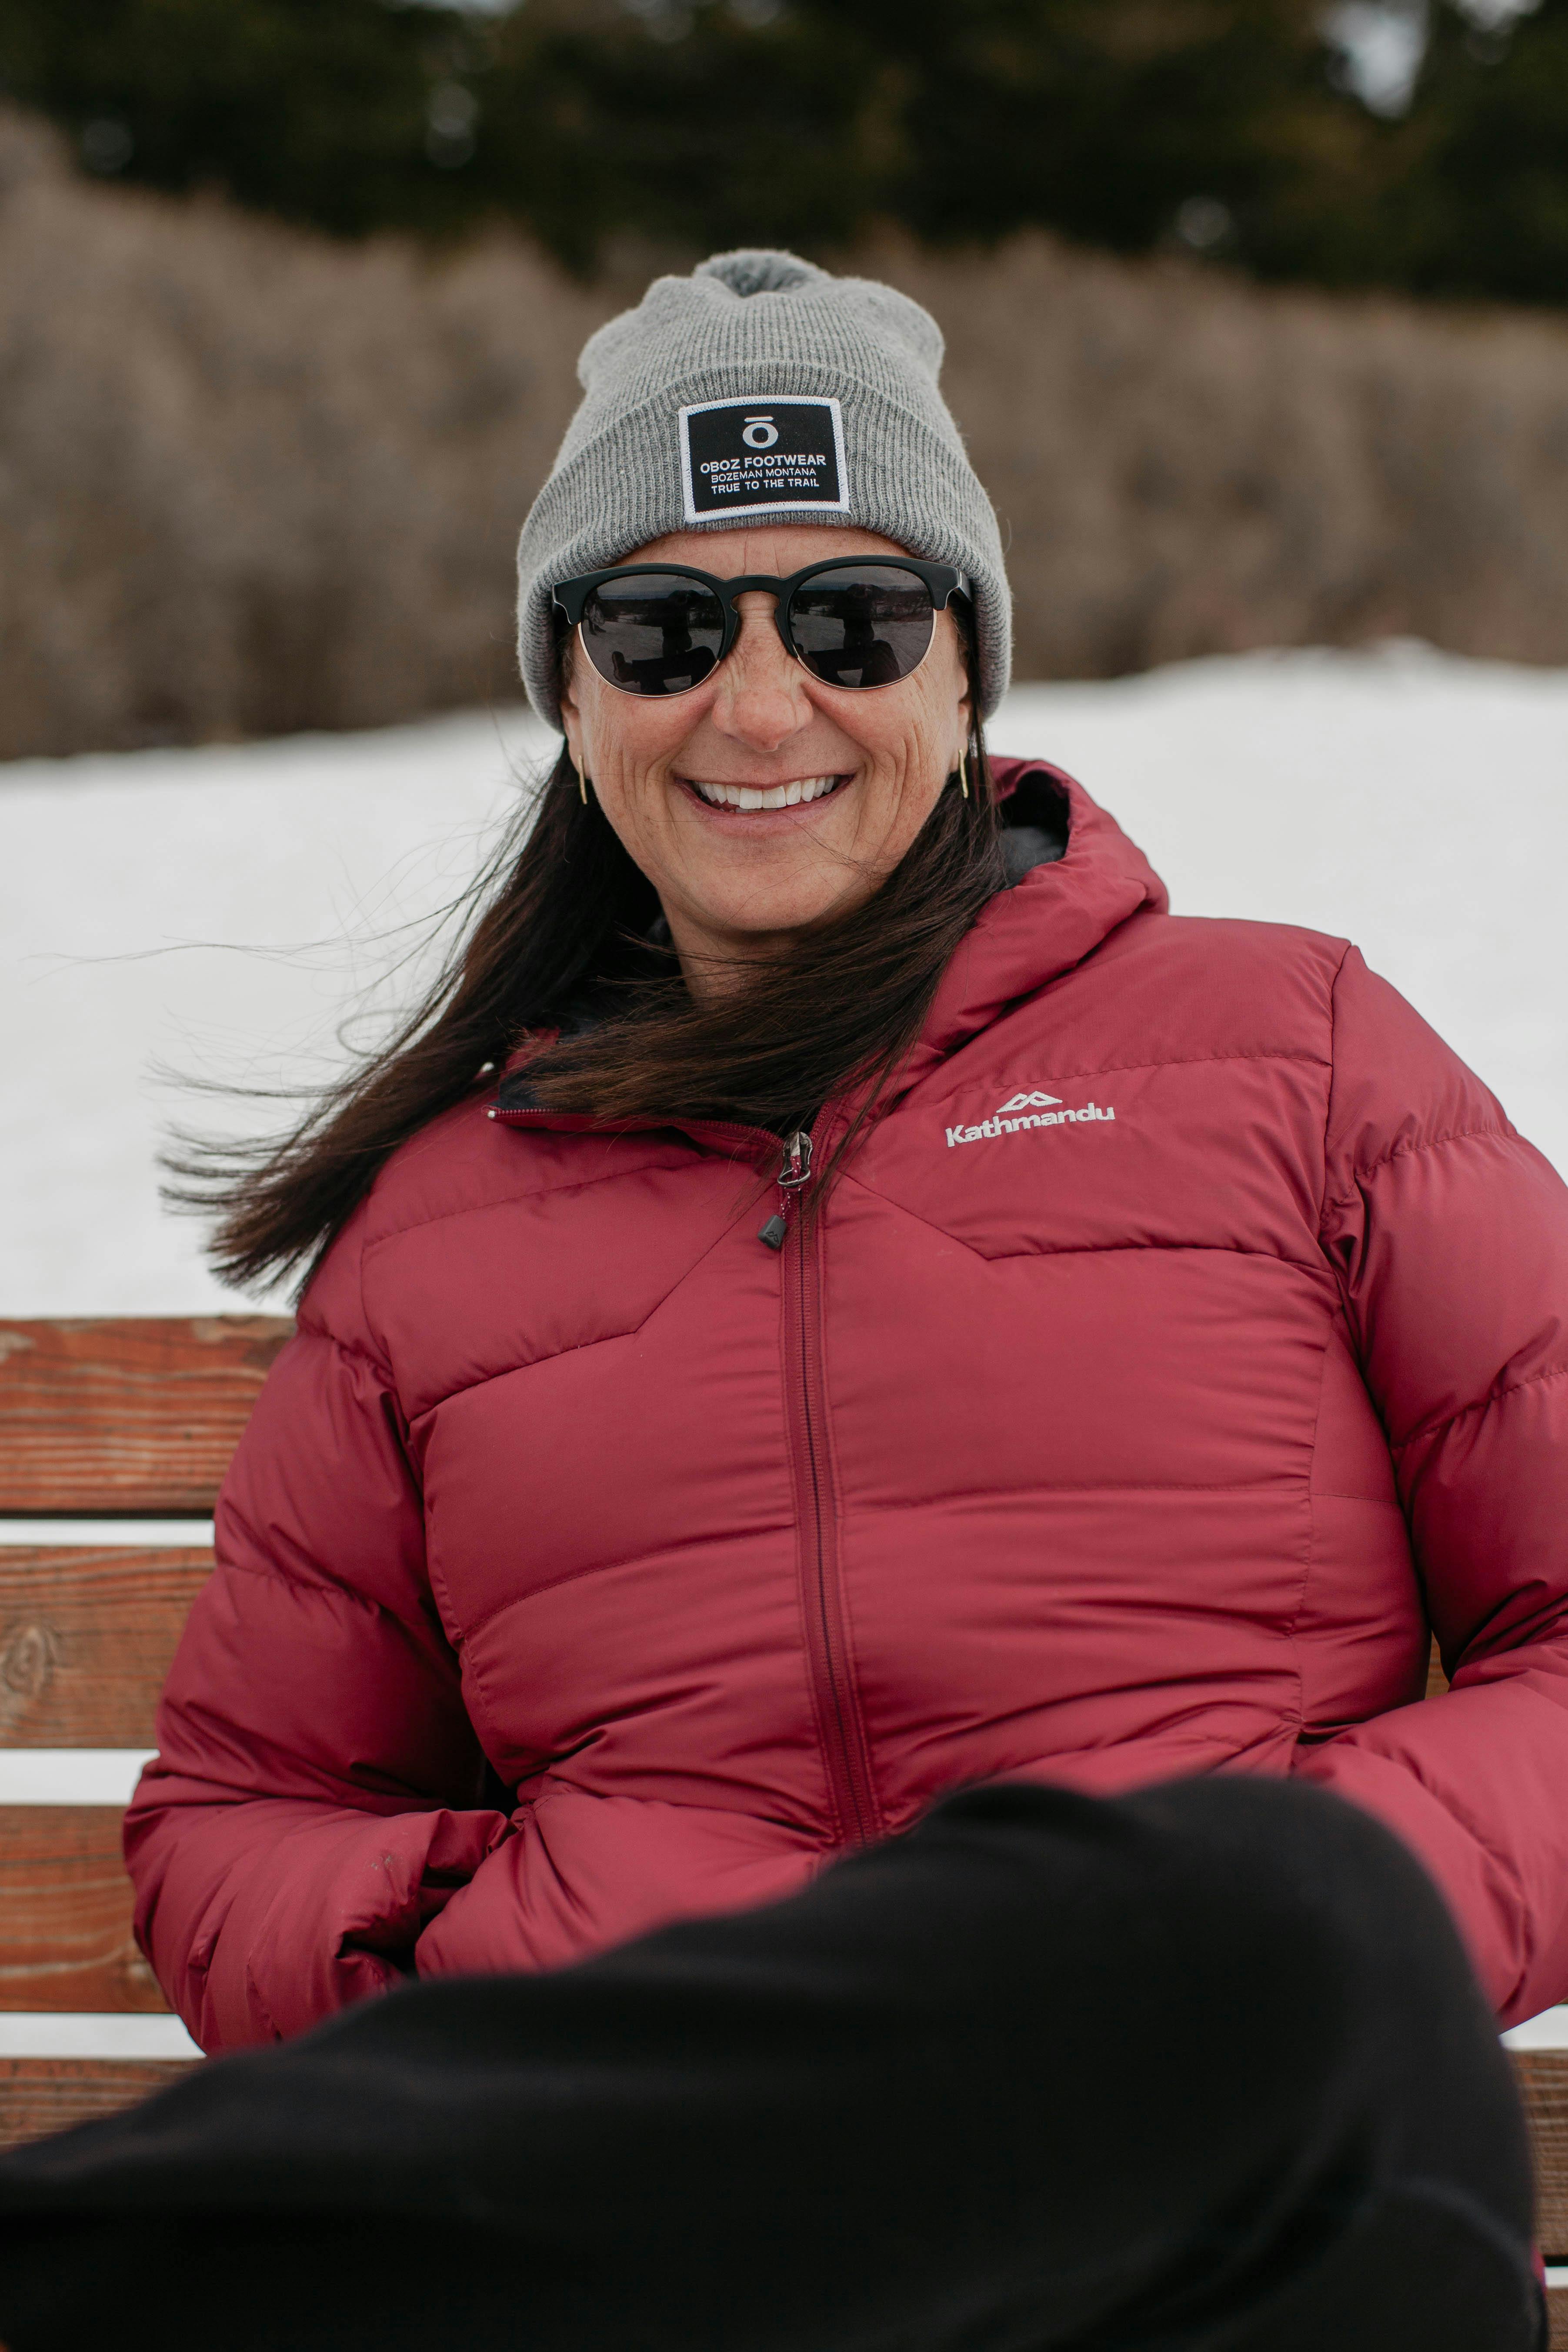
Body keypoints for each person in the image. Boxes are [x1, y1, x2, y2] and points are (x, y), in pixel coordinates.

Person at [0, 246, 1561, 2349]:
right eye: (659, 628)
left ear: (961, 674)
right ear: (569, 695)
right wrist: (523, 1951)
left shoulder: (1293, 1050)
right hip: (671, 2232)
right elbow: (240, 1822)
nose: (759, 703)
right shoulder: (445, 1232)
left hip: (1206, 2179)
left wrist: (1306, 1891)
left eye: (849, 618)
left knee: (1266, 1913)